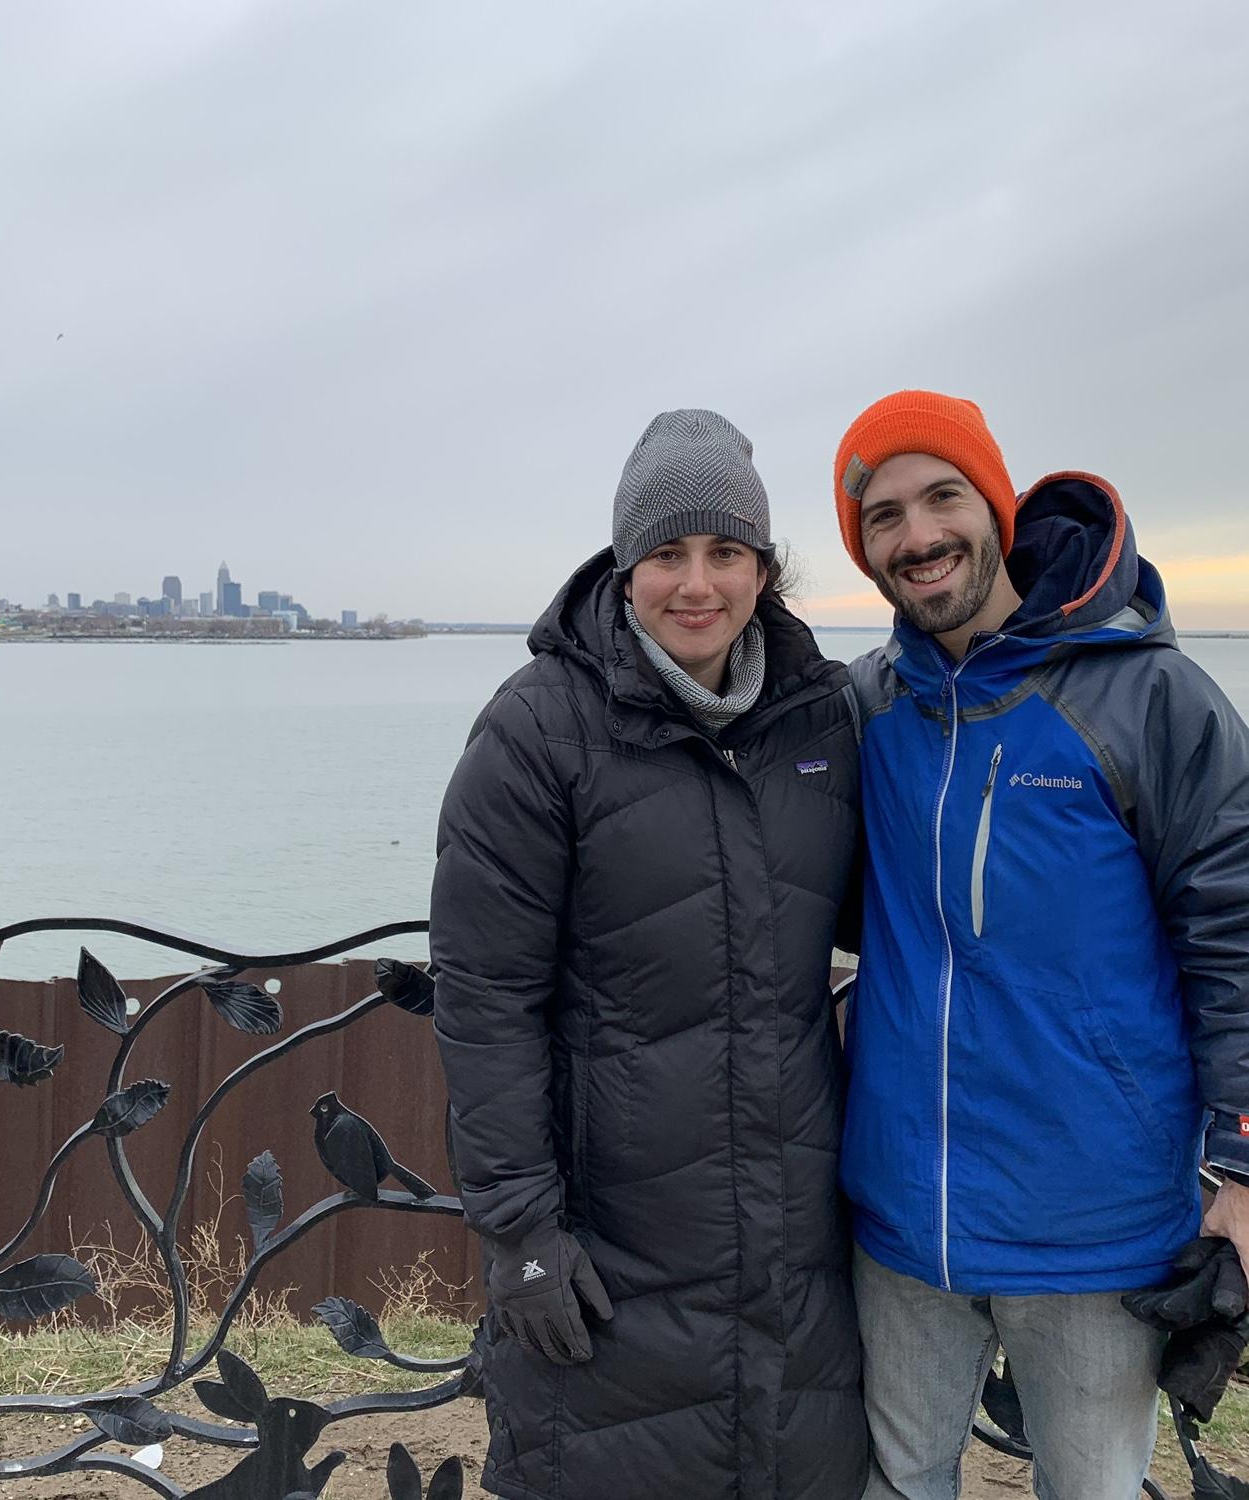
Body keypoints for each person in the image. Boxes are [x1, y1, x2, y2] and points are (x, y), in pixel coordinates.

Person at [431, 409, 868, 1500]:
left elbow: (897, 919)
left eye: (727, 553)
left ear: (767, 571)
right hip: (613, 1246)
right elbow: (487, 1001)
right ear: (624, 568)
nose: (697, 584)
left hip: (792, 1247)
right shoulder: (538, 731)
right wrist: (522, 1229)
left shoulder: (820, 722)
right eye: (668, 553)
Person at [830, 389, 1249, 1500]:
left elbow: (1237, 933)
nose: (917, 537)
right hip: (903, 1223)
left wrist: (1242, 1166)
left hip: (1097, 1233)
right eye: (883, 518)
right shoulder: (866, 710)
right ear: (864, 551)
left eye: (942, 497)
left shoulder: (1152, 697)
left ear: (997, 506)